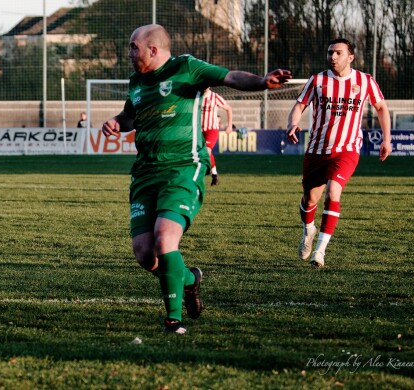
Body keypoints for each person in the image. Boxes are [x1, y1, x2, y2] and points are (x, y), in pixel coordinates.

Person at [101, 24, 290, 335]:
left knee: (165, 238)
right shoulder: (136, 81)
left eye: (133, 46)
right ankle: (189, 280)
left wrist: (262, 82)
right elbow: (130, 116)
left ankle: (173, 322)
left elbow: (229, 77)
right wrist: (115, 122)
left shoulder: (186, 67)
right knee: (145, 255)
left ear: (153, 49)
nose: (129, 52)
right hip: (145, 172)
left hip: (183, 167)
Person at [286, 38, 391, 268]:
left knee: (334, 191)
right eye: (330, 52)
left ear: (350, 57)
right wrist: (292, 123)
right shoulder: (317, 80)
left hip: (347, 149)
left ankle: (320, 251)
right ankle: (308, 230)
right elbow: (300, 105)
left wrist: (387, 139)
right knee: (310, 198)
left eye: (338, 53)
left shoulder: (365, 81)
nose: (332, 57)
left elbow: (381, 107)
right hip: (317, 150)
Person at [200, 88, 233, 186]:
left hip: (211, 129)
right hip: (198, 129)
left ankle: (206, 169)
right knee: (200, 152)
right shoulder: (196, 96)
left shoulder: (215, 97)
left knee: (207, 150)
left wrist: (230, 125)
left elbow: (228, 108)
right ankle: (214, 174)